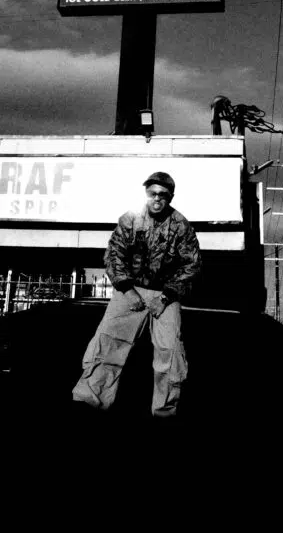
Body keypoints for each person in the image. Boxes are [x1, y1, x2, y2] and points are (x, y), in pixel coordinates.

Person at [72, 171, 201, 418]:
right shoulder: (130, 219)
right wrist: (128, 290)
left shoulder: (181, 225)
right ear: (146, 194)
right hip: (130, 289)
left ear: (171, 197)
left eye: (163, 195)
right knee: (107, 343)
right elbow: (114, 255)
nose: (157, 198)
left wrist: (165, 298)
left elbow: (191, 266)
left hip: (166, 294)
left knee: (171, 352)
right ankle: (89, 402)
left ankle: (164, 412)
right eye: (152, 193)